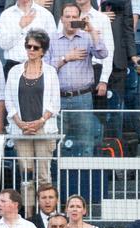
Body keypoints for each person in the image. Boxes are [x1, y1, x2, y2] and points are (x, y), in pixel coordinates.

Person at [5, 30, 60, 213]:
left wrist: (40, 121)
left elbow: (55, 103)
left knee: (44, 175)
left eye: (35, 47)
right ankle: (29, 216)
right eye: (28, 46)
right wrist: (20, 123)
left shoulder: (51, 72)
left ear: (43, 50)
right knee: (26, 175)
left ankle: (48, 216)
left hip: (44, 130)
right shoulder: (14, 71)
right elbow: (8, 101)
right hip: (21, 130)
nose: (31, 50)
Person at [45, 3, 106, 153]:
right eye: (67, 16)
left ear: (80, 18)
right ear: (61, 19)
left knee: (86, 142)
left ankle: (85, 176)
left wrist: (92, 31)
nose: (71, 20)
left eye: (74, 17)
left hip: (82, 97)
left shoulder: (87, 37)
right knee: (57, 143)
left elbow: (102, 54)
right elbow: (46, 70)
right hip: (58, 98)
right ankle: (59, 176)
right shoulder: (51, 40)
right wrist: (66, 58)